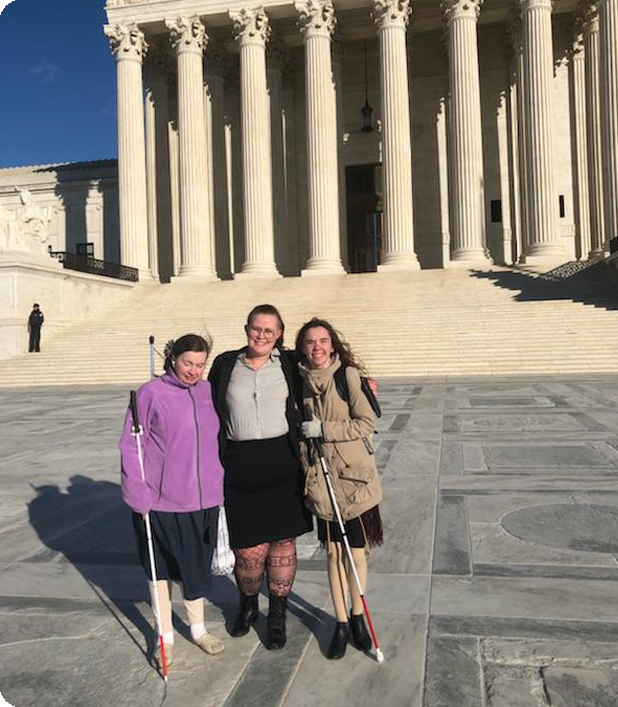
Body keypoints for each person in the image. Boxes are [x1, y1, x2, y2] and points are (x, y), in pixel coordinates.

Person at [208, 304, 313, 651]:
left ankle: (278, 613)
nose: (262, 335)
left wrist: (359, 383)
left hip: (283, 464)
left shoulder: (288, 364)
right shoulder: (225, 365)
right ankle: (249, 604)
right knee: (248, 551)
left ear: (280, 334)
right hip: (239, 465)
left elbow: (324, 372)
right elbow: (203, 404)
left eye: (270, 330)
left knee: (283, 545)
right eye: (257, 328)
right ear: (246, 328)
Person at [118, 333, 226, 669]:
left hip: (203, 498)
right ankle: (164, 634)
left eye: (200, 364)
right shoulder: (151, 393)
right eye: (187, 363)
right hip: (160, 501)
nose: (193, 370)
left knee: (195, 569)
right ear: (173, 359)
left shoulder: (209, 392)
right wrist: (138, 492)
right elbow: (131, 445)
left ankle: (197, 628)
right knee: (159, 569)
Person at [295, 317, 383, 660]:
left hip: (352, 481)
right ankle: (342, 622)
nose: (317, 347)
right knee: (332, 554)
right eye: (310, 342)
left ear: (332, 345)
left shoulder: (346, 376)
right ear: (302, 347)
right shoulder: (299, 380)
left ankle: (359, 616)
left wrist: (323, 429)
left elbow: (365, 424)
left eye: (323, 341)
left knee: (356, 554)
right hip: (322, 482)